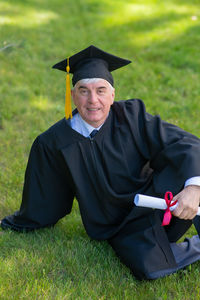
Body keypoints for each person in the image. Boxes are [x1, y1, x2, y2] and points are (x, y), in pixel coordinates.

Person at [1, 45, 200, 280]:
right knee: (149, 268)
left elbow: (184, 143)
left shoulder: (132, 115)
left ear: (113, 95)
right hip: (120, 226)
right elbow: (44, 198)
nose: (93, 100)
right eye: (83, 91)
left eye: (101, 90)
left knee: (190, 169)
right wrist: (17, 222)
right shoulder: (53, 143)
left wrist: (193, 188)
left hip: (159, 201)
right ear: (72, 95)